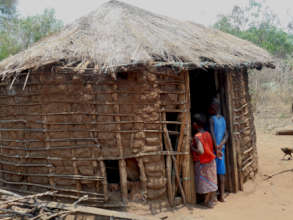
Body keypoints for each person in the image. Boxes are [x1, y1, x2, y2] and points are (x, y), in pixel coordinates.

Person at [191, 113, 217, 208]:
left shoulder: (198, 136)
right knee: (212, 182)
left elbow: (201, 151)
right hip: (211, 161)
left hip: (203, 163)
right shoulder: (208, 133)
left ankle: (207, 202)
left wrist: (192, 148)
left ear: (195, 125)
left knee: (205, 183)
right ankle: (210, 201)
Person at [209, 99, 228, 202]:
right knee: (221, 172)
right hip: (221, 150)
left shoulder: (211, 119)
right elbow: (226, 135)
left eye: (212, 107)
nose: (211, 109)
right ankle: (222, 196)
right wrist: (221, 144)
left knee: (213, 173)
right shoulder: (223, 119)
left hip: (214, 150)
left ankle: (214, 196)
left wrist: (216, 146)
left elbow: (212, 134)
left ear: (215, 107)